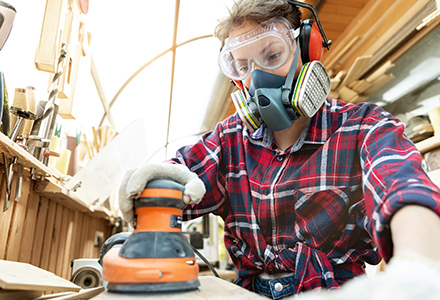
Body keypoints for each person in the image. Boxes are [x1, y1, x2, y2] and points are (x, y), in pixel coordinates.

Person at [119, 0, 440, 299]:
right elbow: (173, 184)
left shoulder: (362, 127)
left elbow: (402, 187)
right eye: (243, 66)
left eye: (273, 56)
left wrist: (418, 268)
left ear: (307, 49)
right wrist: (155, 185)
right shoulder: (228, 140)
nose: (258, 78)